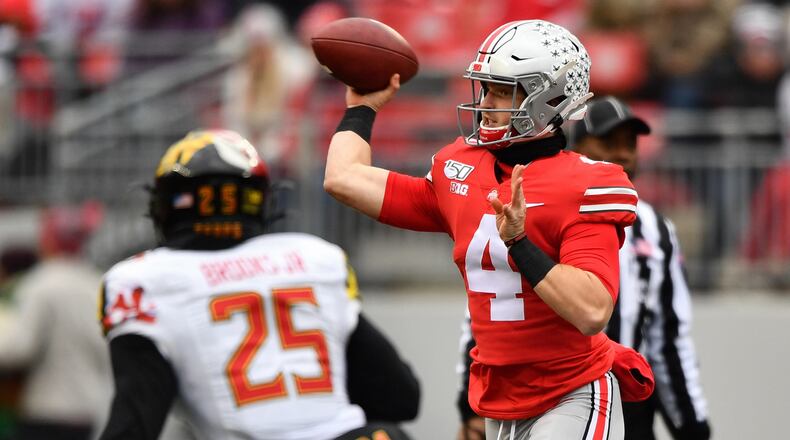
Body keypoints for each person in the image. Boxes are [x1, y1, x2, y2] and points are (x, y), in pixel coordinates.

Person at [325, 20, 653, 440]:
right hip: (500, 397)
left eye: (503, 90)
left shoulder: (587, 183)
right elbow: (343, 178)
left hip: (571, 391)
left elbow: (592, 311)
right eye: (486, 88)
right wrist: (362, 107)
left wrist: (519, 242)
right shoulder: (460, 167)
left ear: (549, 98)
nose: (487, 102)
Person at [97, 129, 420, 440]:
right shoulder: (314, 257)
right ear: (260, 200)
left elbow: (136, 424)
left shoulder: (143, 279)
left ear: (166, 205)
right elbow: (401, 397)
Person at [571, 97, 711, 439]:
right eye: (608, 142)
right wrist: (470, 408)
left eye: (629, 143)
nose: (623, 154)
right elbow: (493, 310)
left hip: (629, 401)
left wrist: (691, 425)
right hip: (561, 396)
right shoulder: (543, 211)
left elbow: (668, 336)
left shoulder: (656, 228)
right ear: (576, 148)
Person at [0, 202, 112, 440]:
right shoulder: (96, 283)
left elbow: (18, 349)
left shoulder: (41, 283)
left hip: (45, 410)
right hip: (86, 409)